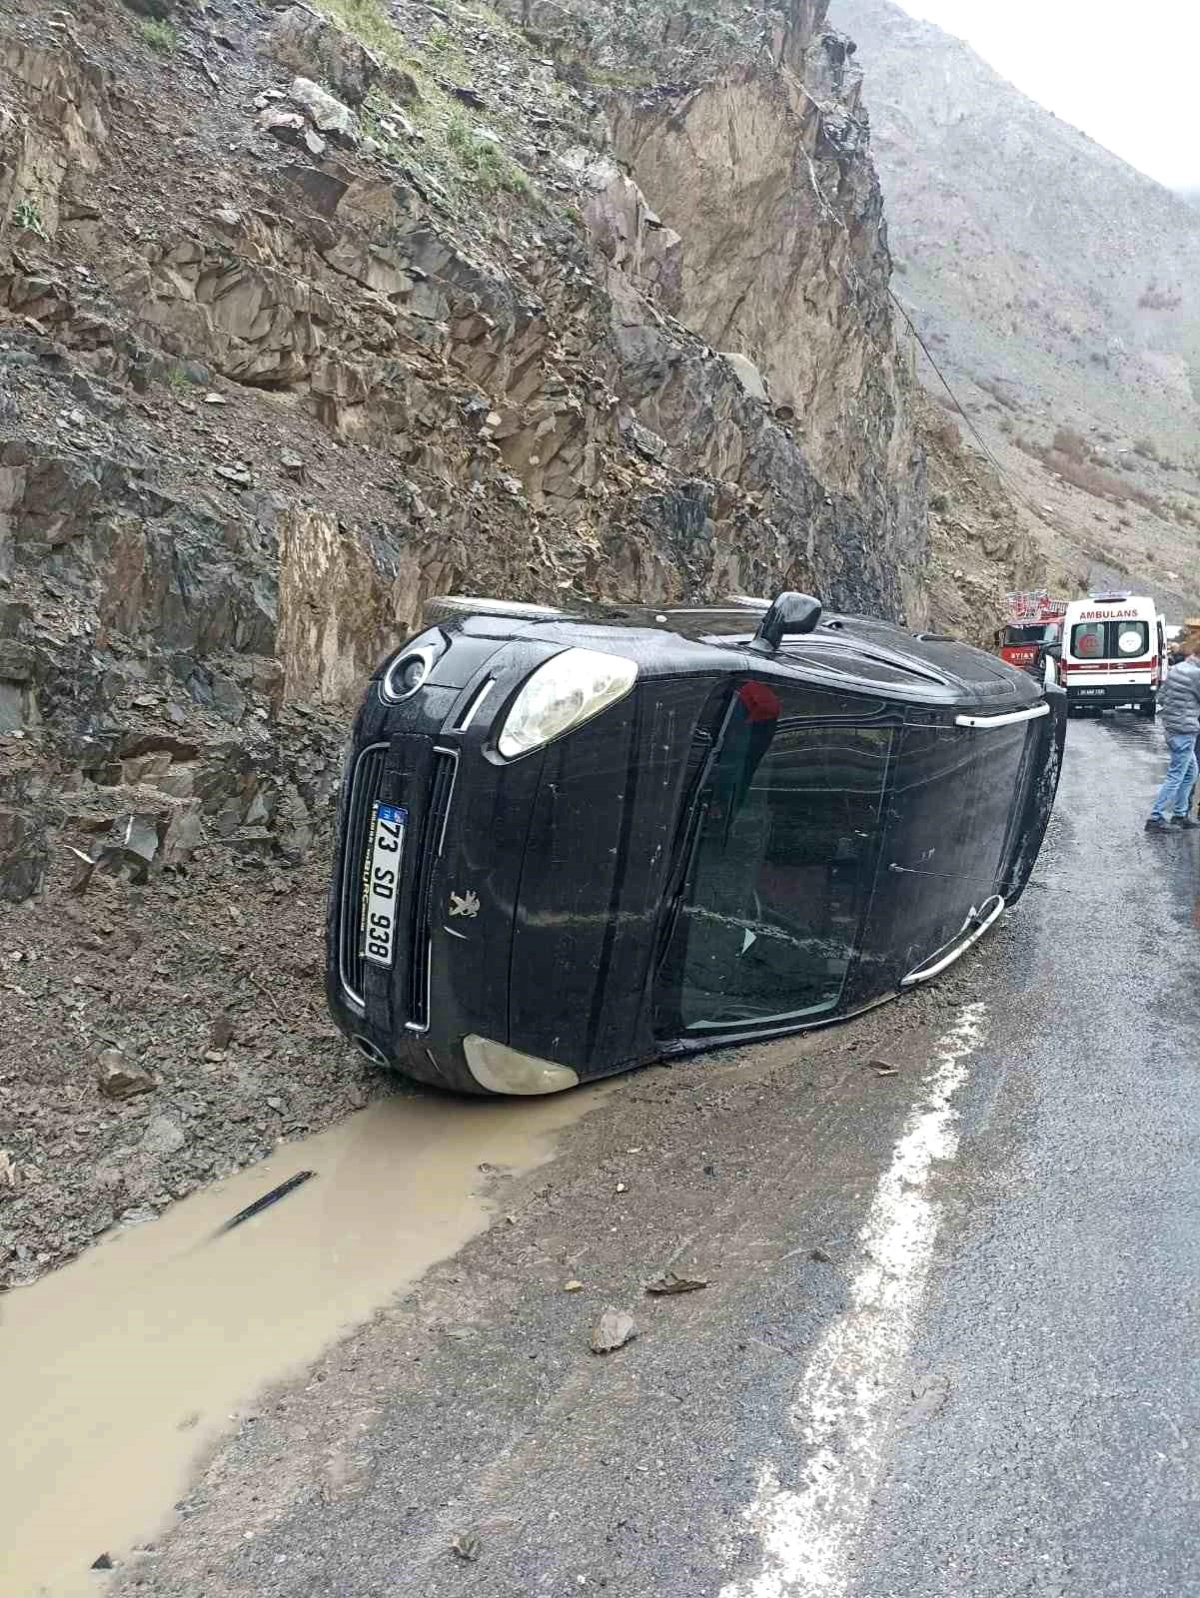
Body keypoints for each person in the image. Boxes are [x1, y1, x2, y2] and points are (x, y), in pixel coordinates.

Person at [1146, 631, 1200, 831]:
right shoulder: (1196, 675)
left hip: (1172, 727)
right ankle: (1155, 817)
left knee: (1190, 772)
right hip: (1185, 730)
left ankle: (1180, 814)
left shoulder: (1178, 668)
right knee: (1177, 775)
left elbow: (1161, 697)